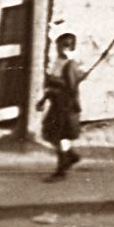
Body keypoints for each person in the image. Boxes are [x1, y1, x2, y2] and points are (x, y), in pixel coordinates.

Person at [38, 33, 84, 181]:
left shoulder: (71, 65)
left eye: (65, 46)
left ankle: (62, 168)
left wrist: (58, 84)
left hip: (65, 106)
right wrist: (44, 99)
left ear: (71, 47)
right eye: (59, 46)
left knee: (61, 135)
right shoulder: (58, 62)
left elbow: (71, 88)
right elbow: (51, 85)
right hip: (56, 103)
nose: (61, 49)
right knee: (50, 133)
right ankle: (70, 156)